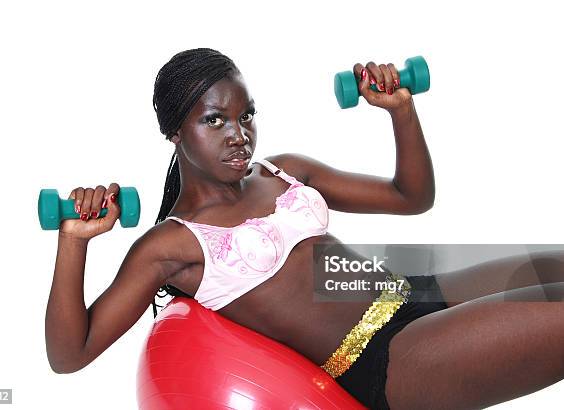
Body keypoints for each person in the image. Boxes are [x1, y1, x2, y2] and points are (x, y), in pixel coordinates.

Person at [45, 48, 564, 410]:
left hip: (415, 297)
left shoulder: (283, 170)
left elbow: (412, 197)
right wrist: (73, 241)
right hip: (389, 363)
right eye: (215, 120)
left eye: (247, 115)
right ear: (174, 131)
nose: (239, 135)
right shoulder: (172, 245)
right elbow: (70, 355)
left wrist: (401, 111)